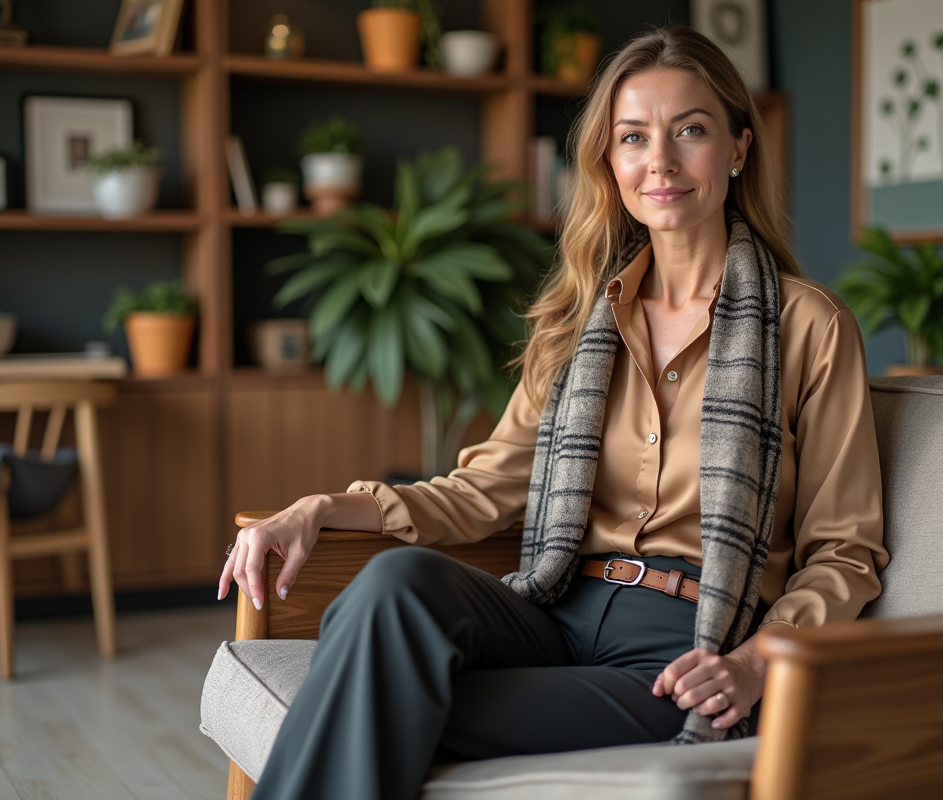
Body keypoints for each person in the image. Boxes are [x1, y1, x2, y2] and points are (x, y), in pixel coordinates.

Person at [217, 24, 889, 800]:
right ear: (609, 162)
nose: (660, 161)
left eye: (691, 131)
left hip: (683, 646)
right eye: (633, 137)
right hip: (556, 604)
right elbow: (482, 490)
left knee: (377, 690)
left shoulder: (809, 327)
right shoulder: (576, 323)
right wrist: (321, 507)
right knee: (392, 587)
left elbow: (846, 552)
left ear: (738, 149)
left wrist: (753, 663)